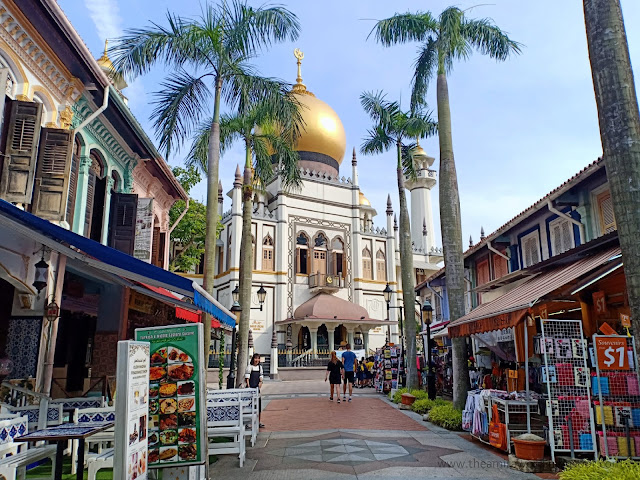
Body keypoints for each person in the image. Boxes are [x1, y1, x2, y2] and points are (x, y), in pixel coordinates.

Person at [245, 353, 265, 428]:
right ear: (253, 359)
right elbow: (247, 378)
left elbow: (261, 376)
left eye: (258, 358)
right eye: (255, 358)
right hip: (251, 388)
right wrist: (249, 386)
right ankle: (249, 422)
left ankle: (258, 421)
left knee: (258, 405)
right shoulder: (250, 367)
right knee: (250, 406)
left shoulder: (260, 367)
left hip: (257, 389)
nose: (257, 360)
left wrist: (261, 382)